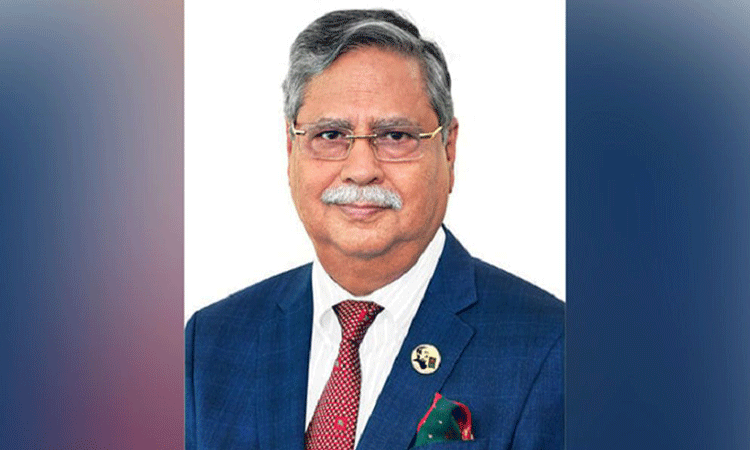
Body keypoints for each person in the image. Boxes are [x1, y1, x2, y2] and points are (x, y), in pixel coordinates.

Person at [185, 9, 563, 450]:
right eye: (331, 135)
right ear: (291, 150)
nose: (361, 169)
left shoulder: (552, 347)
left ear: (449, 149)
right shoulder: (211, 343)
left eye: (395, 136)